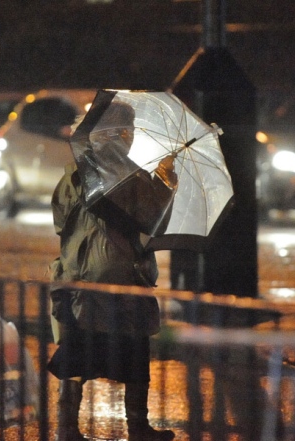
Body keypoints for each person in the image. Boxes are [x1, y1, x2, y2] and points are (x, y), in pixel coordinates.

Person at [47, 100, 177, 441]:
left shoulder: (73, 171)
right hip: (119, 275)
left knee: (77, 352)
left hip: (78, 276)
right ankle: (138, 427)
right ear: (118, 132)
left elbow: (60, 220)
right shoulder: (127, 172)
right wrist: (165, 179)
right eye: (130, 130)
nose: (133, 137)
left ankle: (66, 428)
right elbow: (152, 218)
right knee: (134, 352)